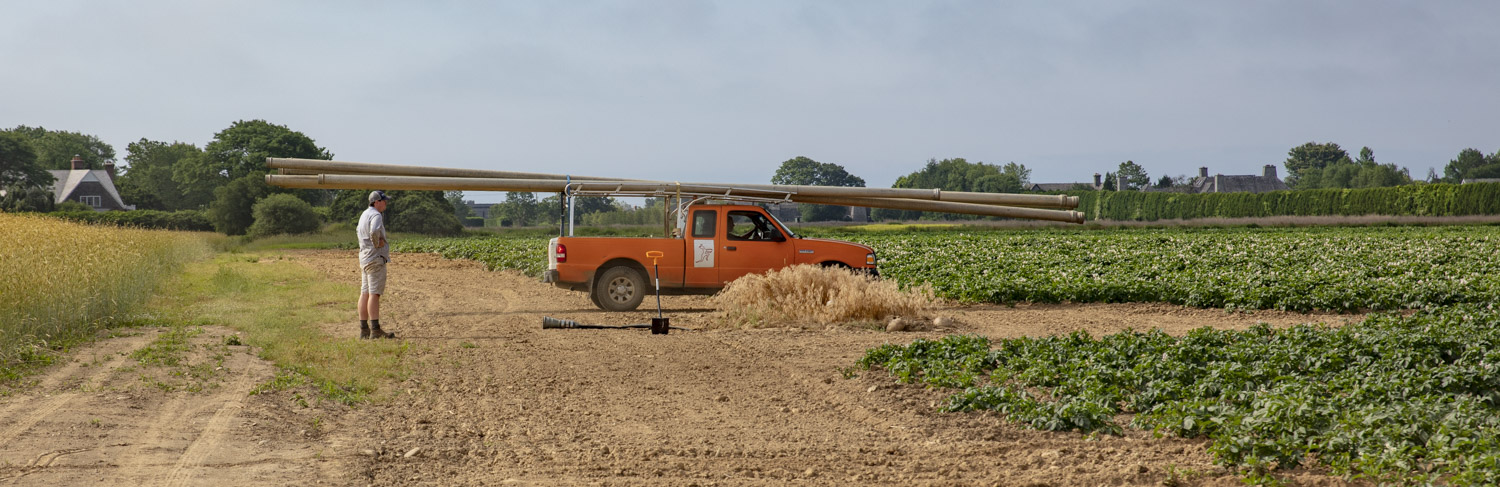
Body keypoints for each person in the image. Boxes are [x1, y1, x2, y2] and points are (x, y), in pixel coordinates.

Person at [358, 190, 395, 339]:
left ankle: (364, 330)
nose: (386, 203)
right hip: (375, 258)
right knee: (374, 294)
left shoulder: (364, 214)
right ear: (376, 202)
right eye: (384, 200)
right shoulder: (376, 215)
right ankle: (375, 330)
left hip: (365, 258)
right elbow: (374, 231)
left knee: (365, 293)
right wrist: (377, 243)